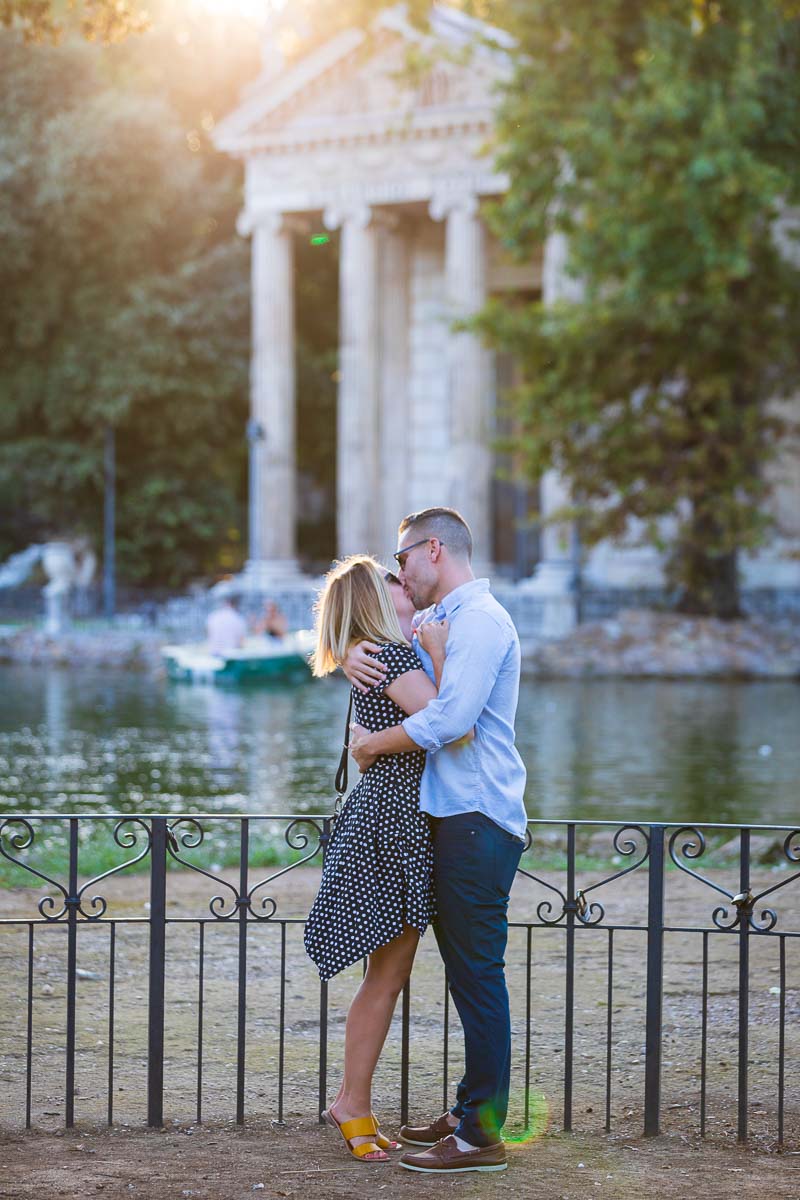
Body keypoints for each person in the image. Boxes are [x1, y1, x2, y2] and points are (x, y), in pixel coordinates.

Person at [345, 507, 527, 1175]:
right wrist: (356, 650)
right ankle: (469, 1110)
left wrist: (371, 746)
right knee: (467, 974)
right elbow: (403, 680)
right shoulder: (442, 624)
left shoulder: (480, 622)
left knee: (479, 977)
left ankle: (481, 1137)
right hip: (457, 815)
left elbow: (452, 721)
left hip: (478, 816)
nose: (400, 573)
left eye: (403, 560)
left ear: (433, 550)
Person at [303, 554, 450, 1164]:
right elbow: (450, 716)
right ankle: (351, 1103)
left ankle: (352, 1100)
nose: (405, 583)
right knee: (386, 975)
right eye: (392, 581)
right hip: (393, 822)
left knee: (386, 975)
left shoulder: (374, 654)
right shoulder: (387, 656)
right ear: (374, 598)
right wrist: (438, 651)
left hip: (388, 817)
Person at [206, 587, 247, 656]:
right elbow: (241, 643)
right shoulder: (238, 619)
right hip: (231, 657)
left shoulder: (213, 617)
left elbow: (209, 635)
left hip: (214, 655)